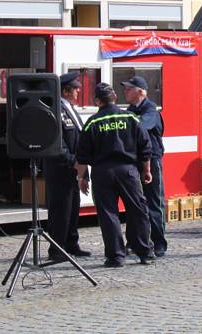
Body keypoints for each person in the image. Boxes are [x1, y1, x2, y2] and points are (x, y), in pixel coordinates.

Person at [76, 83, 154, 268]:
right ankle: (145, 252)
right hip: (128, 171)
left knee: (108, 214)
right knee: (138, 210)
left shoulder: (93, 122)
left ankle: (116, 257)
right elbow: (145, 147)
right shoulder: (131, 117)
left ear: (97, 101)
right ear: (115, 98)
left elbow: (82, 156)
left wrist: (82, 178)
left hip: (102, 173)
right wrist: (147, 170)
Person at [45, 72, 90, 261]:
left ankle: (71, 244)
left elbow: (77, 138)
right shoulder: (55, 110)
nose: (79, 91)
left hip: (72, 169)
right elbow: (57, 145)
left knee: (72, 209)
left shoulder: (69, 108)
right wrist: (75, 162)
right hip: (60, 169)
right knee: (60, 212)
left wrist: (82, 167)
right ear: (65, 90)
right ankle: (57, 249)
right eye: (76, 88)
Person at [121, 75, 167, 258]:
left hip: (151, 160)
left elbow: (140, 127)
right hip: (133, 160)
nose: (125, 92)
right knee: (134, 204)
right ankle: (134, 242)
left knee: (154, 203)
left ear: (140, 92)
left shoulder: (150, 110)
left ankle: (159, 243)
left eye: (128, 89)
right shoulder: (131, 109)